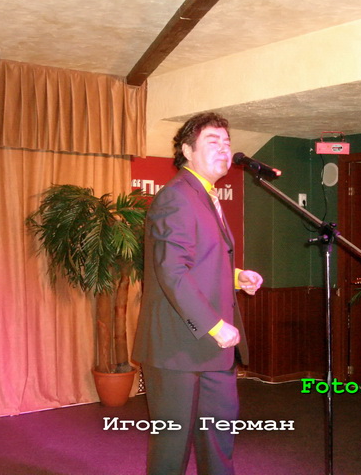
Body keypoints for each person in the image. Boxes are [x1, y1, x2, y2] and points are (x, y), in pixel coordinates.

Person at [132, 112, 263, 474]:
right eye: (212, 142)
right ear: (187, 151)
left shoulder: (205, 196)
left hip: (212, 349)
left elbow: (199, 263)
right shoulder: (176, 197)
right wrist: (215, 326)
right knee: (171, 448)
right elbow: (172, 271)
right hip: (177, 348)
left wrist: (237, 277)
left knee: (219, 441)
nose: (224, 149)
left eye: (227, 142)